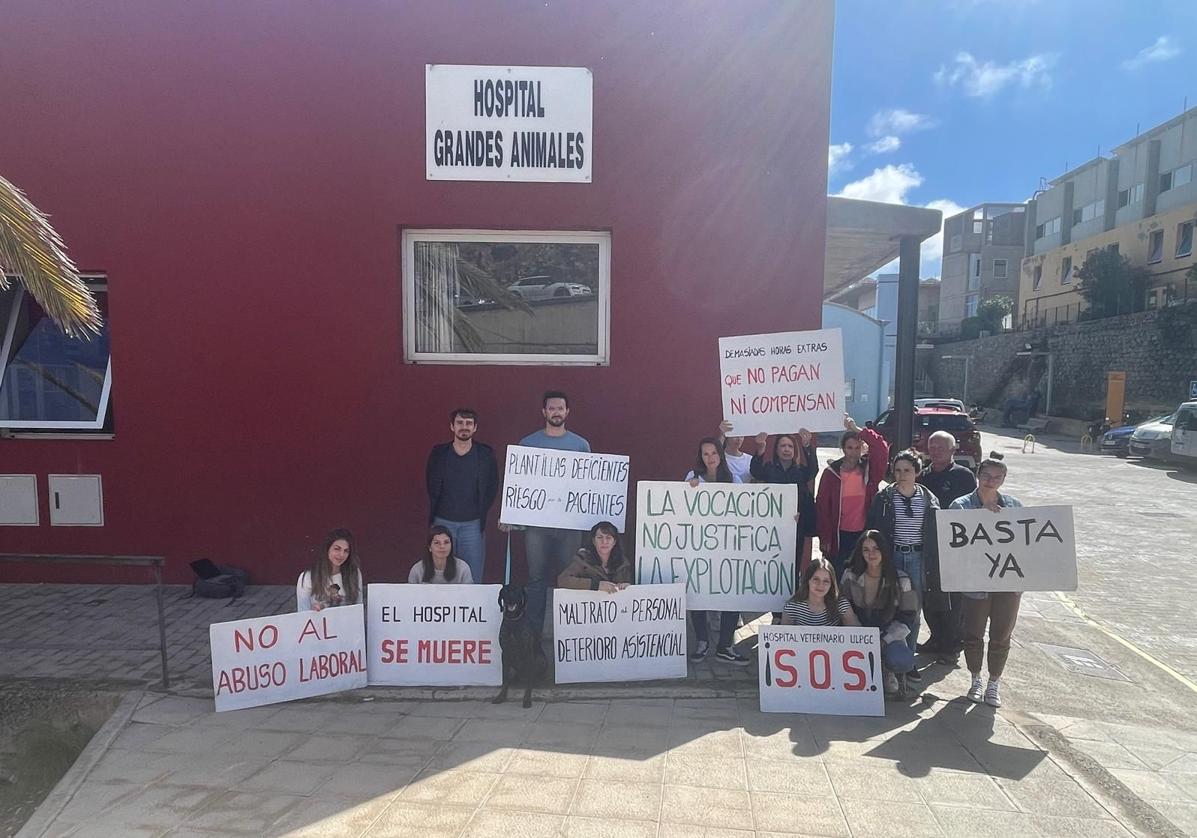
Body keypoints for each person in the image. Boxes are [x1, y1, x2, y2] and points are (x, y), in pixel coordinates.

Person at [512, 390, 591, 636]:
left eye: (560, 408)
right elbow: (519, 484)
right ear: (544, 412)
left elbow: (589, 484)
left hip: (570, 526)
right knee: (536, 580)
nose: (556, 412)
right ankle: (534, 640)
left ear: (567, 412)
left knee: (570, 579)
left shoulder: (580, 445)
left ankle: (570, 638)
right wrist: (511, 515)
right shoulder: (528, 444)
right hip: (537, 527)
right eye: (551, 408)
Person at [950, 455, 1023, 709]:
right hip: (976, 582)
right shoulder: (961, 506)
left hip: (1007, 582)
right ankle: (975, 679)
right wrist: (981, 517)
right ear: (978, 475)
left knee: (1001, 635)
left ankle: (994, 682)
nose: (991, 481)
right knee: (973, 634)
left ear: (1003, 480)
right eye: (986, 476)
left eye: (997, 477)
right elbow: (955, 542)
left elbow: (1026, 543)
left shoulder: (1014, 505)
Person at [866, 449, 940, 683]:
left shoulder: (929, 499)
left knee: (913, 611)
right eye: (897, 470)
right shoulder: (885, 498)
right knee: (889, 605)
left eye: (907, 470)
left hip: (917, 558)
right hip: (893, 556)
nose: (902, 475)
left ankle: (908, 661)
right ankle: (887, 658)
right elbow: (874, 528)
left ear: (917, 471)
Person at [684, 437, 750, 665]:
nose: (710, 458)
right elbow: (681, 509)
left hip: (728, 549)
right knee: (698, 595)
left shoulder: (734, 481)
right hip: (699, 548)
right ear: (700, 457)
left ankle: (725, 645)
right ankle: (702, 642)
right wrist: (689, 490)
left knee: (731, 595)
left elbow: (749, 513)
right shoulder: (692, 479)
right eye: (705, 454)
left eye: (713, 453)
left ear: (720, 456)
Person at [917, 430, 977, 663]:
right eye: (932, 446)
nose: (936, 450)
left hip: (955, 546)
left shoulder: (964, 476)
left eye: (941, 447)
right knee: (930, 595)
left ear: (953, 450)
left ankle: (951, 647)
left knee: (954, 599)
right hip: (929, 544)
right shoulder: (922, 475)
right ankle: (937, 638)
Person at [839, 530, 919, 697]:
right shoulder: (850, 576)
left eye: (876, 548)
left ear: (884, 550)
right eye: (866, 550)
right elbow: (841, 606)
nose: (871, 554)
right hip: (856, 636)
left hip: (889, 638)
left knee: (902, 660)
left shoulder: (902, 579)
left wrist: (884, 640)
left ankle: (889, 671)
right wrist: (858, 637)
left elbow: (908, 617)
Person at [425, 407, 498, 584]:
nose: (464, 427)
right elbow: (430, 482)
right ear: (452, 426)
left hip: (473, 525)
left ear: (475, 428)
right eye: (459, 423)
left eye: (468, 423)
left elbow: (493, 485)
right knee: (440, 575)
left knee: (472, 577)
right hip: (443, 522)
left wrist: (482, 512)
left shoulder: (485, 454)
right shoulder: (439, 453)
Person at [815, 413, 890, 581]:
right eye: (850, 448)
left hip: (863, 534)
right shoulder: (831, 473)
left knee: (861, 578)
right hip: (838, 535)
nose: (853, 452)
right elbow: (822, 507)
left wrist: (858, 430)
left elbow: (881, 447)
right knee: (837, 577)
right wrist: (825, 537)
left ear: (863, 448)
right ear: (843, 448)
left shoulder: (870, 471)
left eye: (857, 448)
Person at [751, 429, 818, 571]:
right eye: (783, 446)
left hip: (795, 527)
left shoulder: (801, 471)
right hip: (772, 527)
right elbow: (755, 471)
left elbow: (813, 470)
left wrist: (807, 446)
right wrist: (761, 448)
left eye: (790, 446)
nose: (786, 449)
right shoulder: (769, 469)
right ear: (776, 450)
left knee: (793, 563)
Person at [780, 556, 859, 627]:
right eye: (816, 579)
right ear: (808, 580)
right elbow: (784, 637)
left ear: (832, 584)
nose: (820, 585)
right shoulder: (792, 607)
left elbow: (856, 632)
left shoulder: (840, 604)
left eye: (826, 581)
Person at [297, 528, 363, 611]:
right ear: (327, 548)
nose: (341, 555)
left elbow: (358, 608)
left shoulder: (354, 573)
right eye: (337, 549)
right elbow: (302, 613)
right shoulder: (307, 577)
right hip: (319, 623)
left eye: (346, 551)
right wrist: (314, 611)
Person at [558, 521, 633, 592]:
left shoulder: (623, 562)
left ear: (614, 542)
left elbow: (630, 585)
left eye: (608, 538)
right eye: (600, 537)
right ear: (593, 541)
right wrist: (596, 585)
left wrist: (627, 586)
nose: (604, 542)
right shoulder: (583, 559)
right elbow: (563, 580)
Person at [408, 525, 474, 584]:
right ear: (429, 547)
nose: (442, 546)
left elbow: (469, 595)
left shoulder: (463, 568)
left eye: (446, 542)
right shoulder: (417, 570)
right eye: (437, 543)